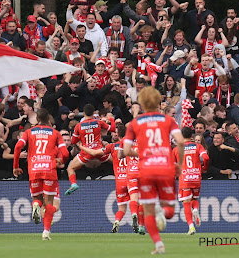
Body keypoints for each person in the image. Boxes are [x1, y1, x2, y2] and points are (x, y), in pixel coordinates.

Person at [123, 86, 184, 255]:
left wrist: (142, 154)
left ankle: (158, 244)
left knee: (147, 210)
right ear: (158, 101)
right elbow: (180, 141)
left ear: (141, 103)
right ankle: (162, 211)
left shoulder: (134, 123)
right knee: (170, 212)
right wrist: (179, 164)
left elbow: (127, 151)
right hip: (165, 167)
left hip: (146, 170)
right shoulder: (168, 120)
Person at [13, 108, 69, 240]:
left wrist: (15, 166)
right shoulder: (55, 133)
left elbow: (17, 147)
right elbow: (65, 153)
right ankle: (45, 232)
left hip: (34, 169)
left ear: (37, 119)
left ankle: (36, 206)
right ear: (48, 119)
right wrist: (62, 161)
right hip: (49, 170)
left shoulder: (28, 132)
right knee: (49, 203)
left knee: (37, 200)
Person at [65, 104, 116, 195]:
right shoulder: (99, 123)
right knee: (116, 162)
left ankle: (73, 184)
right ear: (93, 113)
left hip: (86, 153)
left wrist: (81, 139)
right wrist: (111, 119)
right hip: (99, 151)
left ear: (83, 113)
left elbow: (73, 141)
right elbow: (112, 129)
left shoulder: (79, 126)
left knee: (70, 168)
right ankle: (125, 177)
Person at [173, 127, 209, 235]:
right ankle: (195, 209)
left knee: (186, 203)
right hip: (196, 177)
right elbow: (206, 158)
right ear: (192, 136)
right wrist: (205, 168)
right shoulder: (198, 146)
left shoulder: (176, 149)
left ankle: (191, 227)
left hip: (185, 178)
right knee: (194, 199)